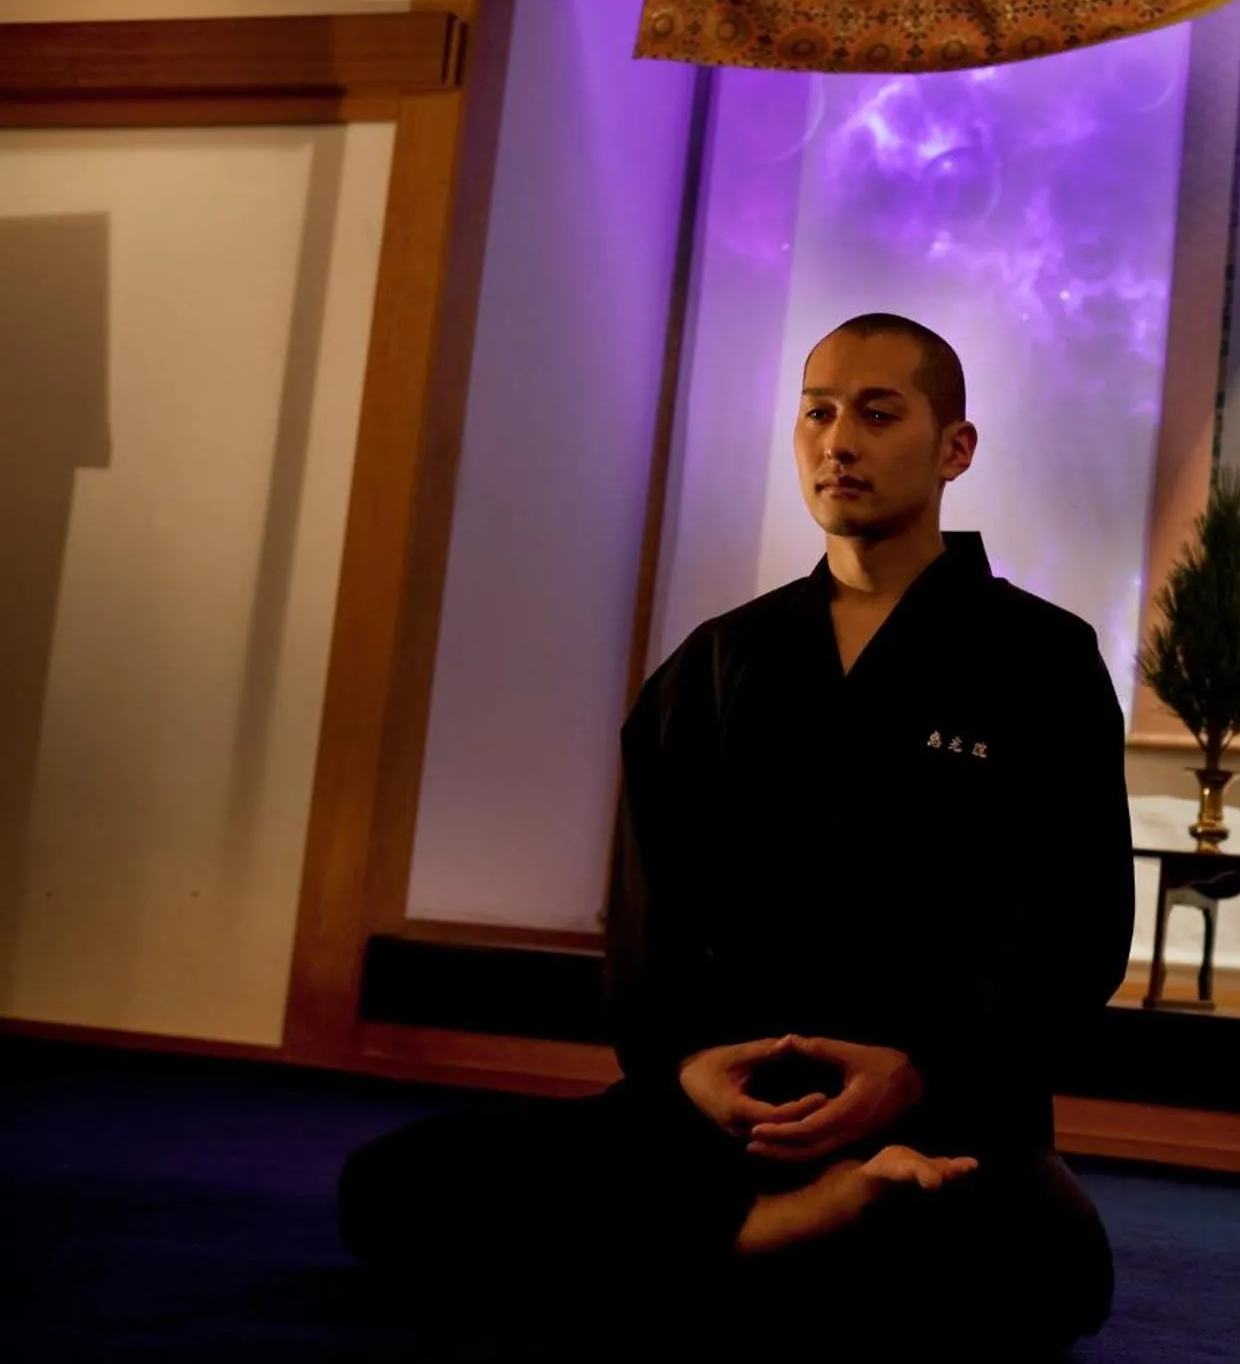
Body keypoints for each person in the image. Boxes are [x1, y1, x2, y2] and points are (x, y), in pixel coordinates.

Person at [338, 313, 1136, 1354]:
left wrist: (920, 1070)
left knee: (1044, 1270)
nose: (837, 440)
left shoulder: (1039, 659)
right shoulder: (719, 663)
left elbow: (1074, 919)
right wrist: (685, 1072)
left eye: (877, 413)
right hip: (729, 1107)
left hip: (937, 1104)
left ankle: (738, 1246)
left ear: (955, 449)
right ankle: (782, 1228)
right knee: (390, 1190)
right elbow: (646, 913)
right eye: (818, 412)